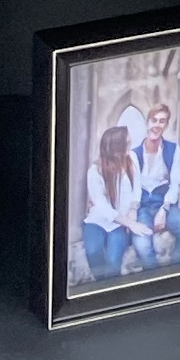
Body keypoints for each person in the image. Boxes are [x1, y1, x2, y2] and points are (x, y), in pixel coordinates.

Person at [79, 119, 144, 285]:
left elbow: (137, 188)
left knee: (114, 260)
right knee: (93, 252)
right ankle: (103, 288)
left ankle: (110, 289)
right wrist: (130, 223)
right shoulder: (95, 171)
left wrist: (133, 210)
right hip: (97, 222)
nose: (130, 145)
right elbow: (101, 207)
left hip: (119, 225)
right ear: (116, 147)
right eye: (127, 143)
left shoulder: (132, 159)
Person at [131, 98, 180, 271]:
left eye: (162, 121)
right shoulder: (134, 153)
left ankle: (174, 273)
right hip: (142, 207)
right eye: (154, 120)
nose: (157, 125)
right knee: (141, 244)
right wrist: (133, 210)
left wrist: (164, 210)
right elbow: (133, 188)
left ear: (166, 125)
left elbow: (175, 182)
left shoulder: (173, 149)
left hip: (164, 202)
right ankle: (156, 277)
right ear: (147, 123)